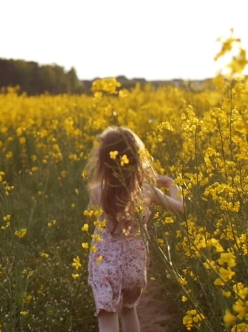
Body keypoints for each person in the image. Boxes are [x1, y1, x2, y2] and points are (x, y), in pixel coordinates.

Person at [84, 126, 184, 332]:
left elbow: (99, 209)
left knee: (107, 314)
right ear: (137, 159)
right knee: (129, 311)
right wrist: (171, 183)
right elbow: (181, 208)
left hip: (106, 268)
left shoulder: (98, 192)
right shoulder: (147, 191)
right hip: (134, 268)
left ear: (103, 162)